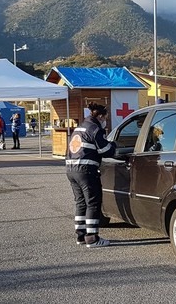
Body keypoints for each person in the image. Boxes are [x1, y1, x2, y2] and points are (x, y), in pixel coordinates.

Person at [66, 102, 116, 248]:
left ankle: (81, 236)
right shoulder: (94, 129)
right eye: (105, 118)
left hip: (71, 170)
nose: (105, 121)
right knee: (93, 203)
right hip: (86, 170)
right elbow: (106, 150)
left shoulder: (79, 127)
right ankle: (92, 238)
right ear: (100, 116)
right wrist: (114, 145)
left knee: (80, 202)